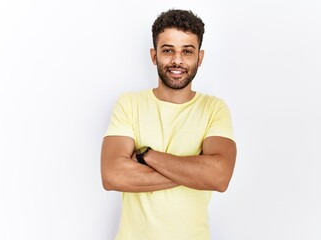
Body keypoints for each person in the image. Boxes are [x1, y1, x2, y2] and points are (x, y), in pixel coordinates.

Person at [101, 9, 237, 240]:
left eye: (187, 51)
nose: (177, 60)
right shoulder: (129, 104)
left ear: (200, 58)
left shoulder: (214, 108)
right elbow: (112, 176)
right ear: (154, 56)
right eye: (168, 50)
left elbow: (219, 177)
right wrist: (196, 172)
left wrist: (147, 156)